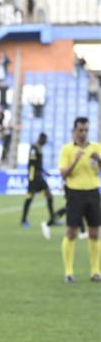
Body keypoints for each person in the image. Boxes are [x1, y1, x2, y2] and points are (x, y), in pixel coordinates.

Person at [58, 117, 101, 283]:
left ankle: (96, 271)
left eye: (86, 130)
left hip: (92, 193)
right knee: (71, 232)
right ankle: (68, 272)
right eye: (80, 130)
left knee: (95, 233)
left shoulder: (96, 147)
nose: (83, 133)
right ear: (75, 131)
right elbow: (63, 174)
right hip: (74, 194)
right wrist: (75, 161)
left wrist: (99, 160)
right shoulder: (67, 149)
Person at [19, 133, 57, 232]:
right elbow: (32, 164)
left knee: (49, 195)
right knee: (29, 198)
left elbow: (37, 164)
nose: (45, 142)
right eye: (44, 140)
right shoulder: (34, 148)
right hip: (34, 177)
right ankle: (23, 220)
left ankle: (52, 219)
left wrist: (44, 172)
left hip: (39, 176)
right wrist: (31, 177)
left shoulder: (39, 148)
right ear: (41, 139)